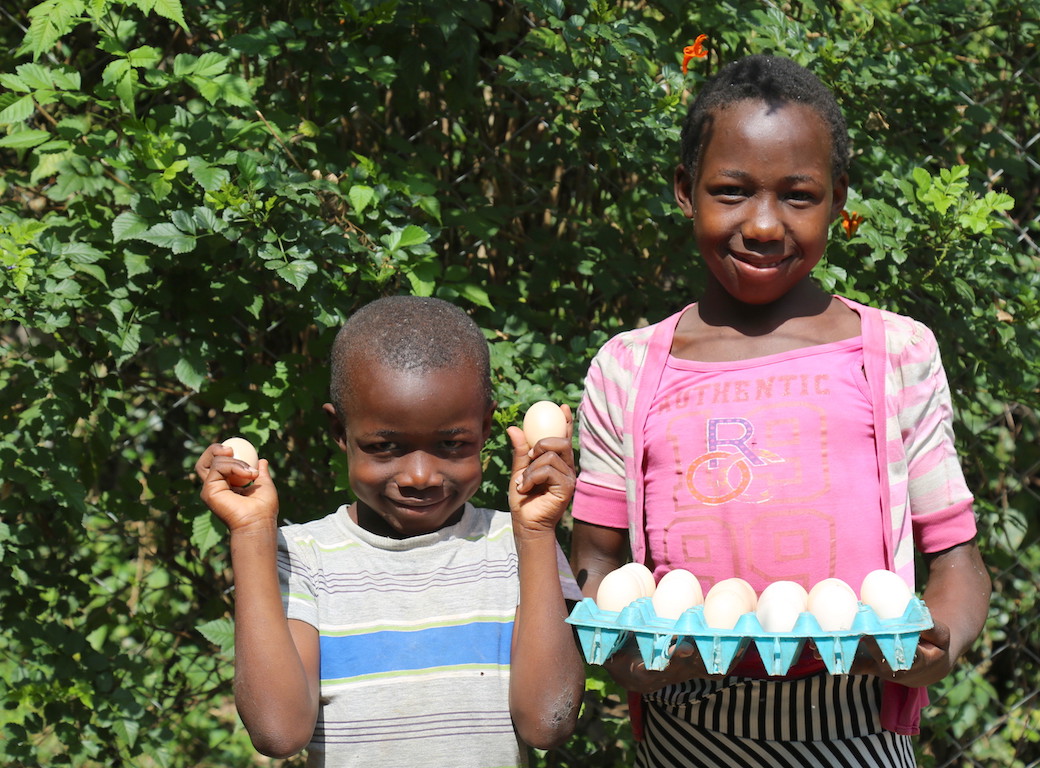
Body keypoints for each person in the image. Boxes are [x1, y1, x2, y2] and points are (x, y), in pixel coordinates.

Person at [570, 54, 991, 767]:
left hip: (855, 729)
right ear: (685, 190)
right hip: (683, 734)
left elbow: (959, 562)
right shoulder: (629, 368)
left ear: (838, 198)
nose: (764, 225)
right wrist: (623, 659)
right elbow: (595, 559)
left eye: (798, 196)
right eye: (731, 191)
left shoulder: (893, 354)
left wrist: (936, 645)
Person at [196, 295, 585, 767]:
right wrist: (252, 532)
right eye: (385, 447)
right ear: (340, 431)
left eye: (451, 444)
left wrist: (538, 534)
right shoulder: (301, 558)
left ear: (485, 428)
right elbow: (279, 733)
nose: (420, 474)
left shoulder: (517, 546)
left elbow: (548, 722)